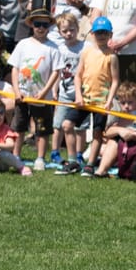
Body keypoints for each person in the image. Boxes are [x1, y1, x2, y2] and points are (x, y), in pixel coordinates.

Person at [8, 7, 63, 169]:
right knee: (19, 127)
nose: (41, 28)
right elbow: (15, 68)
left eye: (45, 25)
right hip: (23, 95)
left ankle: (40, 158)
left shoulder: (53, 48)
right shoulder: (23, 44)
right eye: (37, 24)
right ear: (31, 25)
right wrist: (16, 91)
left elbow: (56, 72)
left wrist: (45, 92)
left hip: (42, 96)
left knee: (42, 129)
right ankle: (16, 155)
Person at [73, 15, 120, 177]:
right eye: (98, 33)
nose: (101, 36)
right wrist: (78, 95)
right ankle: (74, 159)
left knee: (97, 133)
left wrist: (109, 101)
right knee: (69, 125)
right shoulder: (86, 52)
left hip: (101, 102)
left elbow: (115, 81)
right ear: (92, 33)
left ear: (110, 35)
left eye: (104, 33)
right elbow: (78, 75)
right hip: (84, 99)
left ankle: (90, 164)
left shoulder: (111, 56)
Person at [49, 12, 86, 171]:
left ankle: (79, 153)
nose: (69, 34)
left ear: (78, 29)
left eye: (72, 30)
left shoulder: (85, 47)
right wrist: (54, 89)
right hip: (64, 92)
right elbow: (56, 71)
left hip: (81, 93)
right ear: (59, 32)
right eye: (65, 31)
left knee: (80, 126)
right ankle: (55, 152)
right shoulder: (59, 49)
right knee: (57, 124)